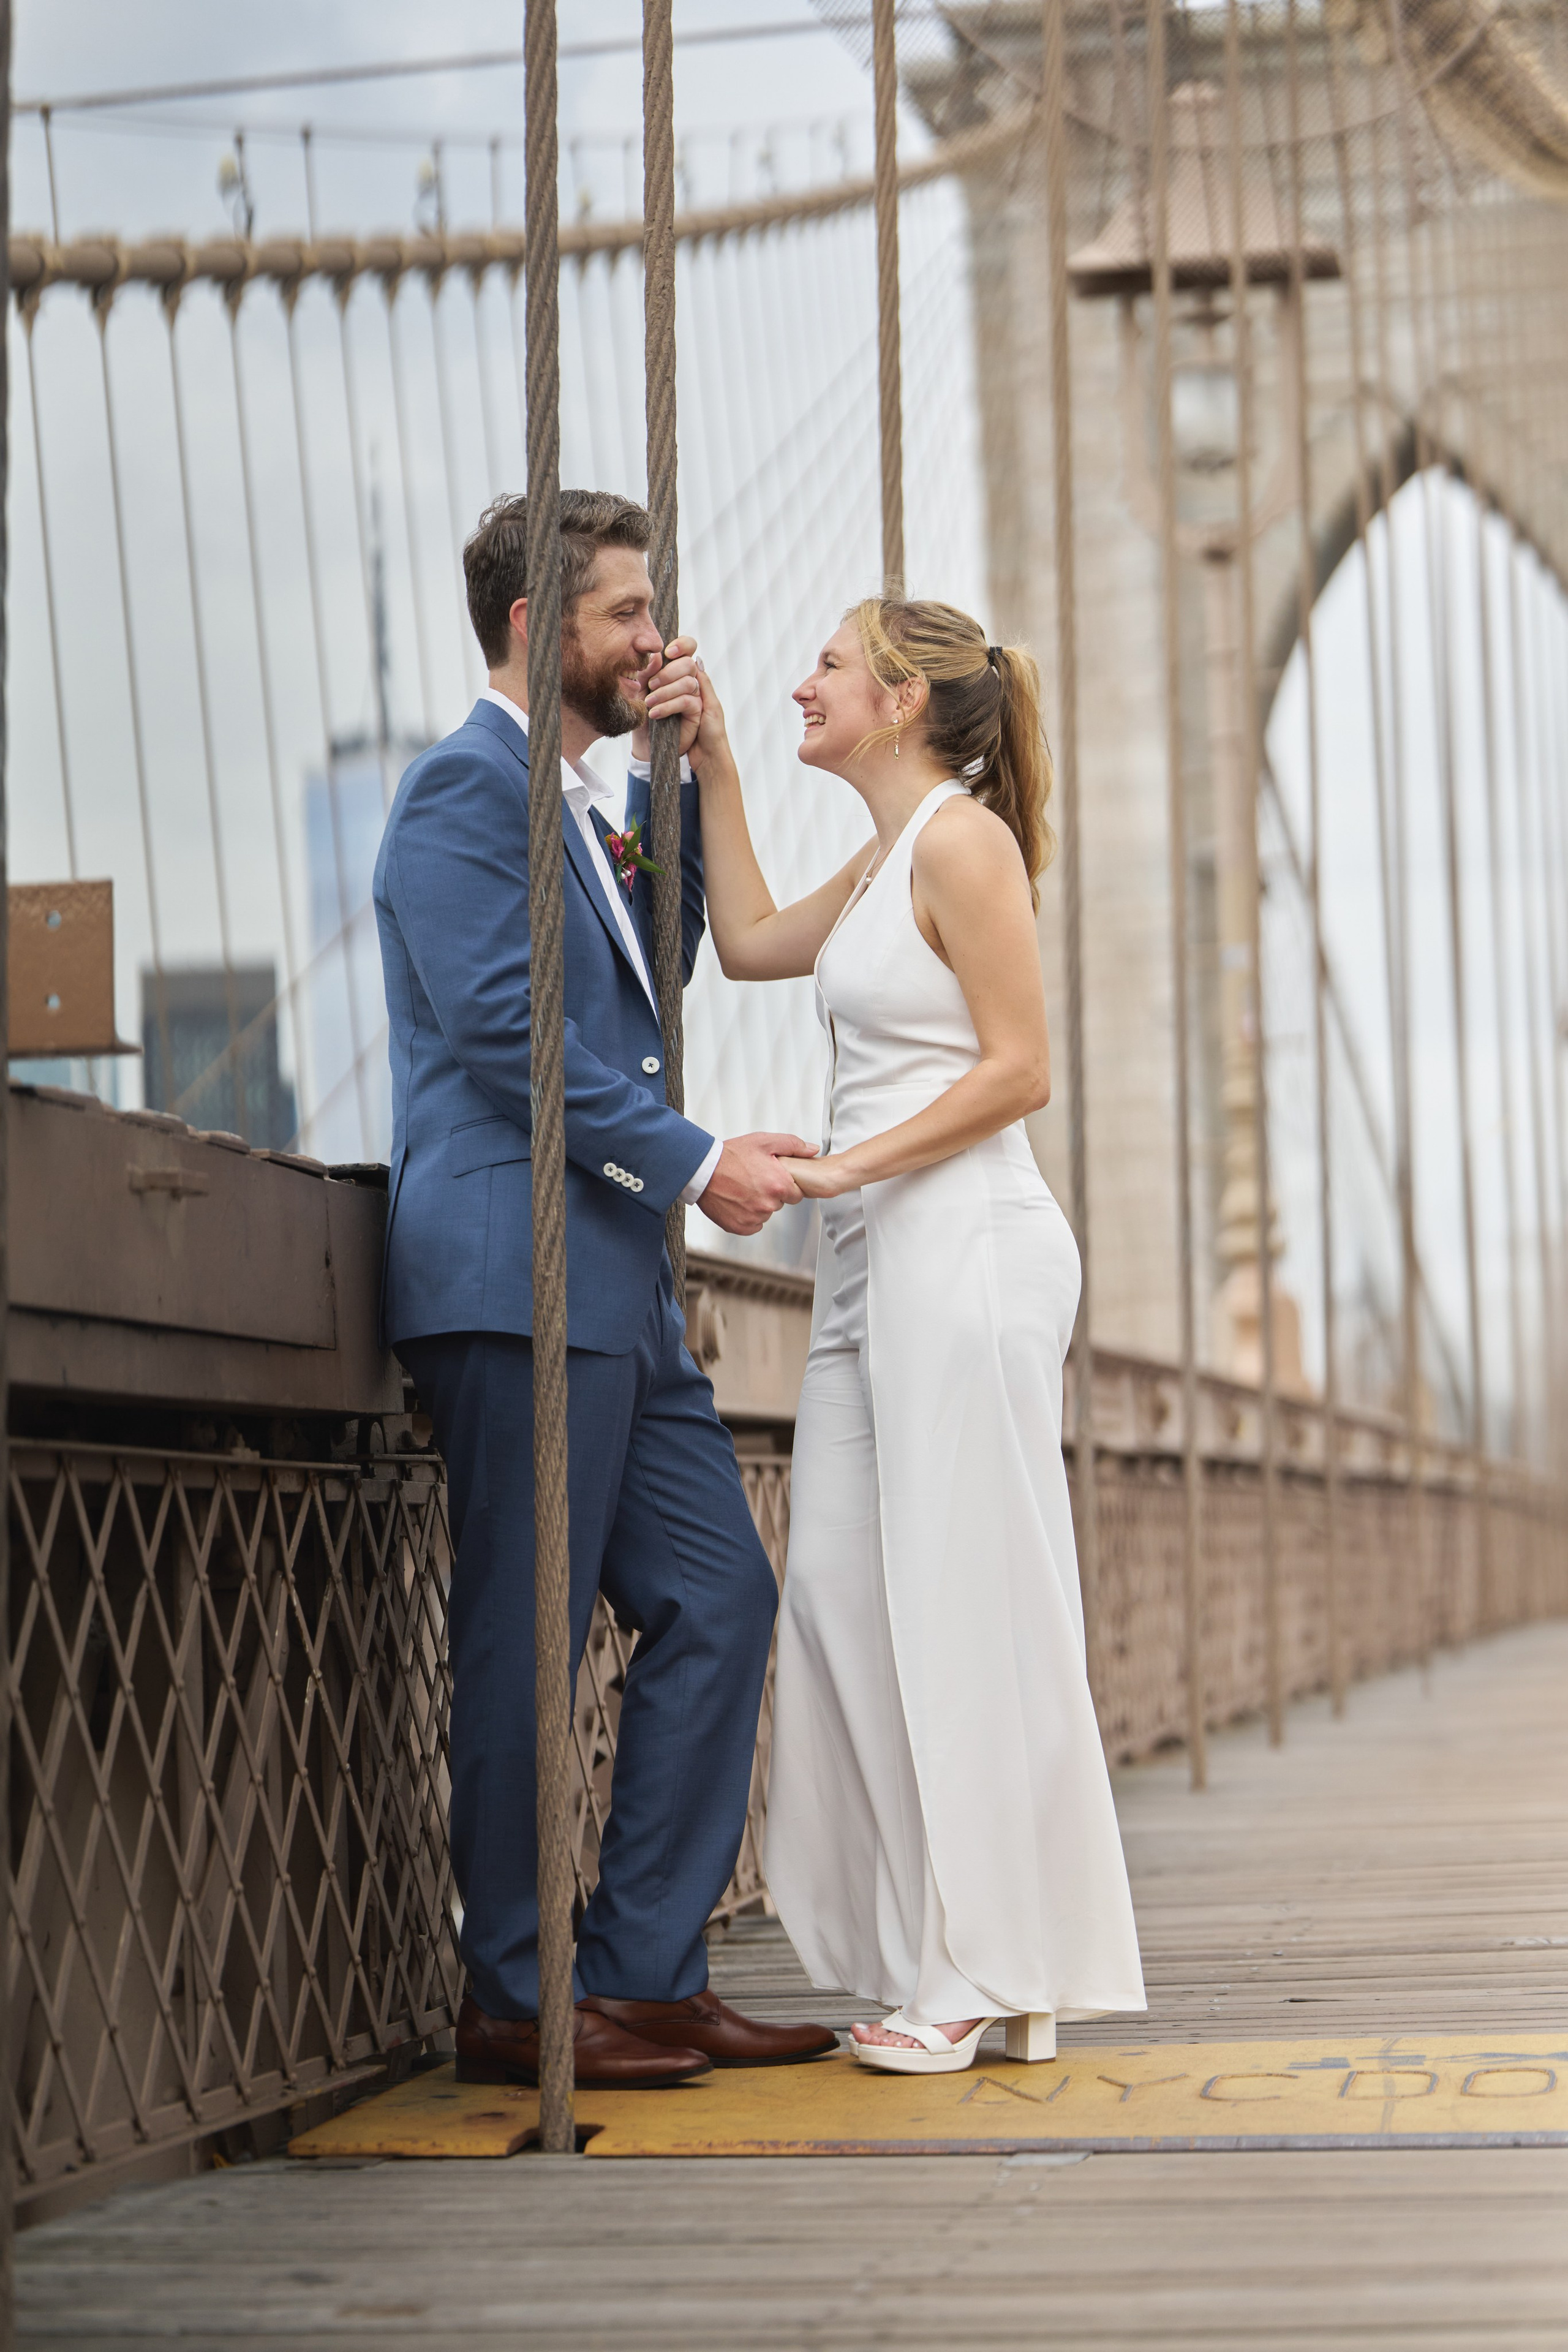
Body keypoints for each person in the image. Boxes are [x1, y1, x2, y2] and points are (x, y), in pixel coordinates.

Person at [372, 489, 839, 2087]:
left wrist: (684, 763)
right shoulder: (458, 798)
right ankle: (514, 1997)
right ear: (532, 626)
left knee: (720, 1594)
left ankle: (641, 1972)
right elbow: (522, 1048)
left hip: (620, 1290)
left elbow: (669, 954)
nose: (659, 639)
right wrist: (705, 1158)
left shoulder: (581, 800)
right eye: (628, 615)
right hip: (512, 1278)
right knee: (529, 1640)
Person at [645, 595, 1145, 2075]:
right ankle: (967, 1952)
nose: (803, 680)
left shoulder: (965, 844)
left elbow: (1021, 1070)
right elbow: (739, 945)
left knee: (960, 1608)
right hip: (873, 1273)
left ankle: (980, 1963)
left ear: (905, 698)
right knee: (843, 1603)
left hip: (965, 1250)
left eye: (827, 666)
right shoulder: (883, 859)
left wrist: (846, 1171)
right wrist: (717, 755)